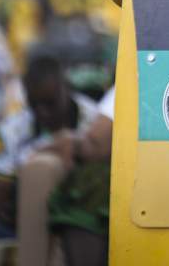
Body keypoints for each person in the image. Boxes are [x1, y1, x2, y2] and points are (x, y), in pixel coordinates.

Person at [0, 55, 101, 234]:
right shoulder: (12, 129)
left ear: (67, 88)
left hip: (82, 213)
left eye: (50, 103)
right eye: (34, 104)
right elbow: (0, 189)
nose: (43, 112)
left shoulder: (96, 121)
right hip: (27, 214)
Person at [41, 86, 116, 266]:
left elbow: (97, 143)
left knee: (85, 186)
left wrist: (73, 142)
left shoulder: (136, 74)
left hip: (134, 181)